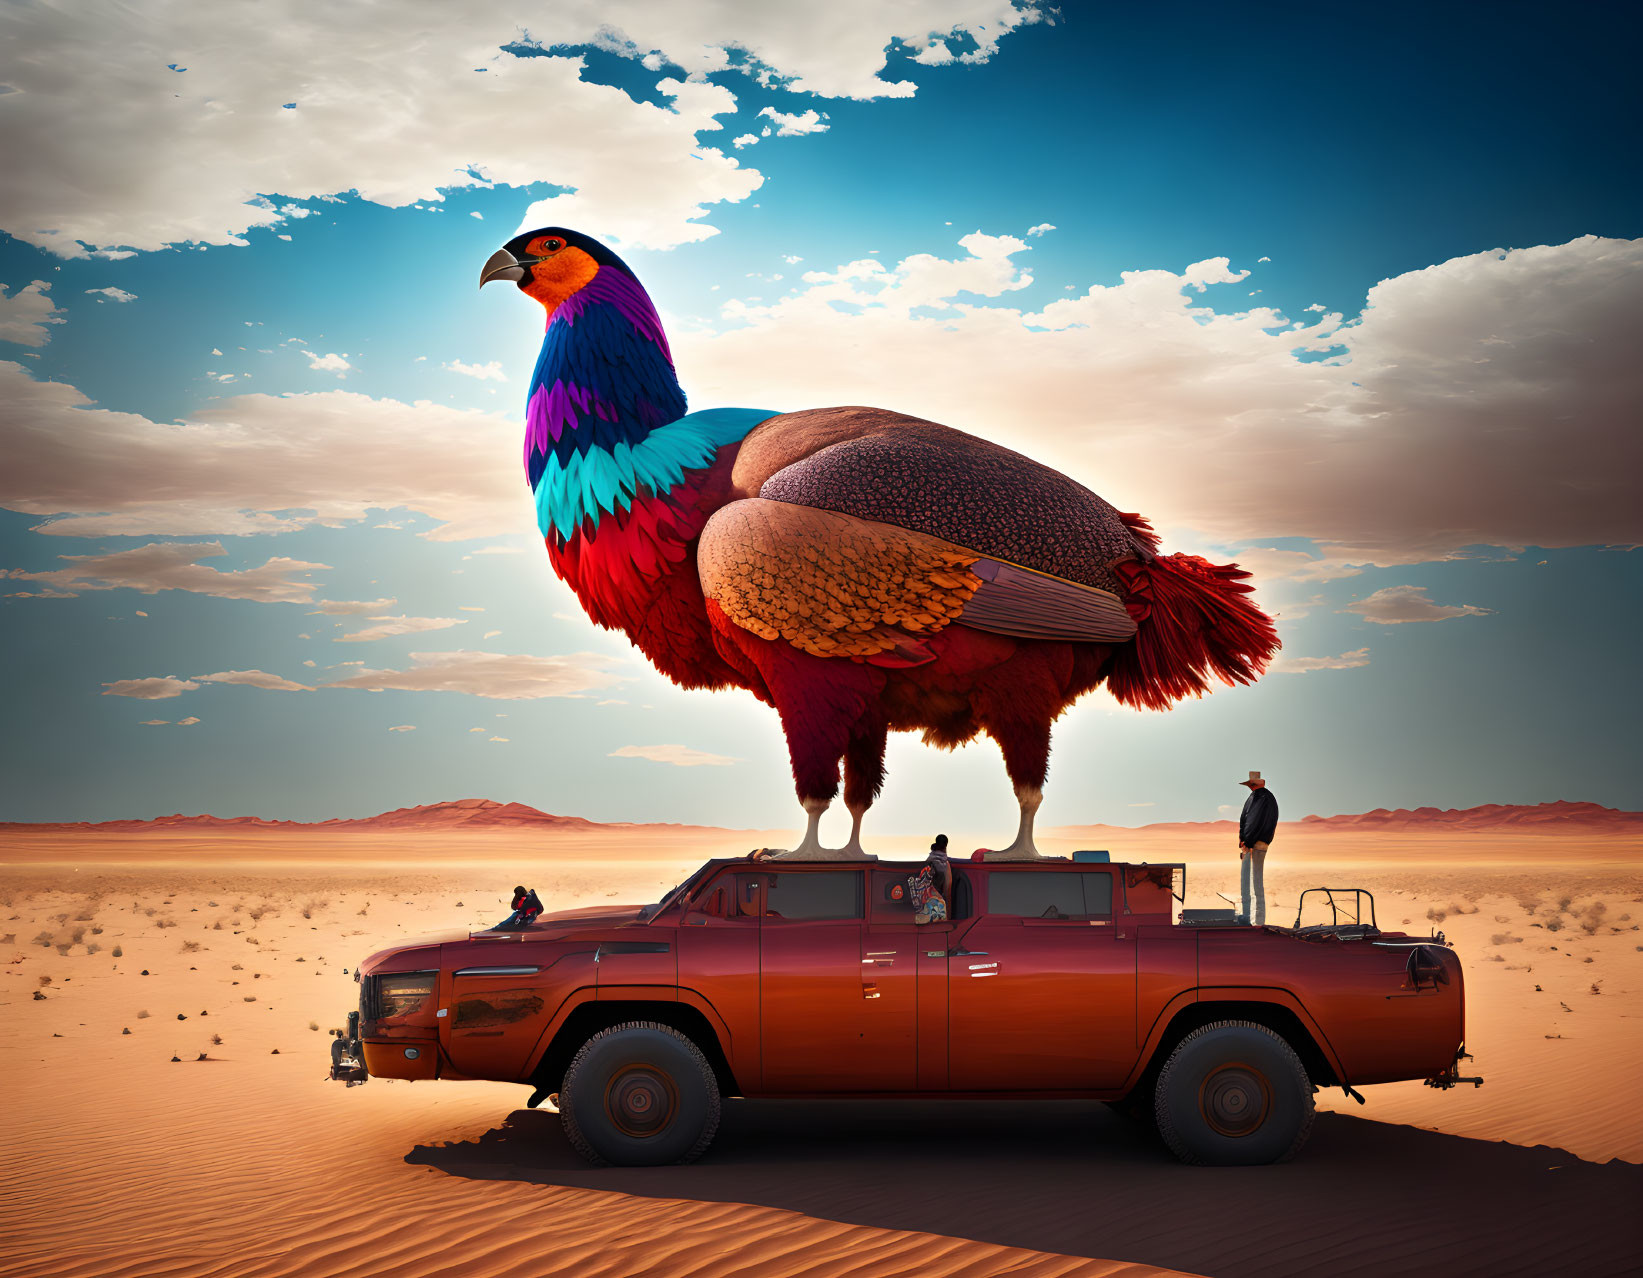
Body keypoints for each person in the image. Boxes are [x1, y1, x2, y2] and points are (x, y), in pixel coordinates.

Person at [1237, 772, 1278, 926]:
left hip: (1256, 844)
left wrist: (1247, 841)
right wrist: (1243, 840)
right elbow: (1245, 821)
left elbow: (1255, 821)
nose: (1251, 787)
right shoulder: (1256, 798)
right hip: (1252, 843)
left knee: (1255, 884)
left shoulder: (1262, 798)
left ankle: (1257, 922)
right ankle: (1248, 918)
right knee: (1249, 882)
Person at [909, 834, 953, 924]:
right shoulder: (945, 864)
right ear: (946, 845)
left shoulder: (929, 860)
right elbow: (947, 888)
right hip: (938, 904)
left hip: (924, 902)